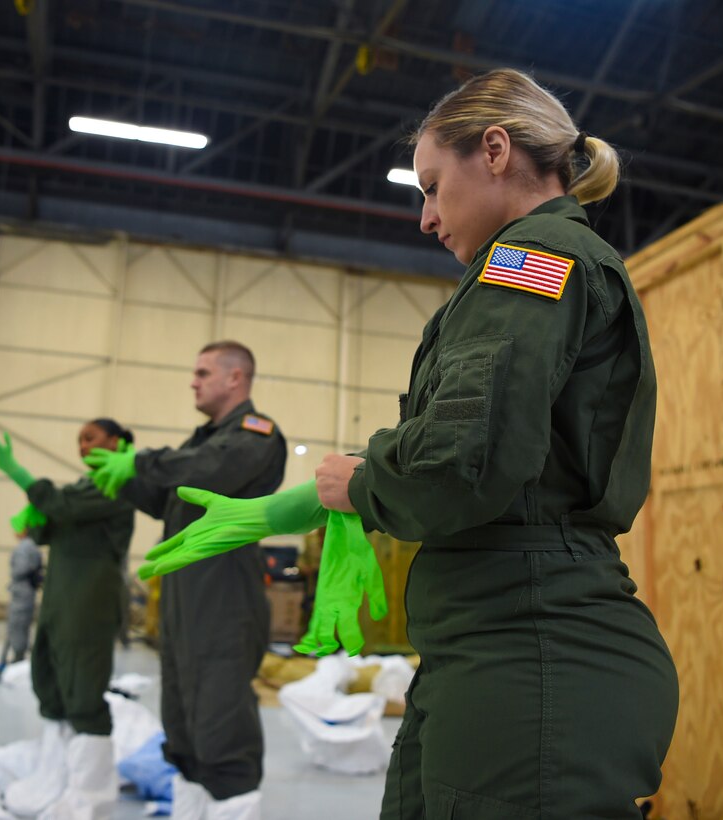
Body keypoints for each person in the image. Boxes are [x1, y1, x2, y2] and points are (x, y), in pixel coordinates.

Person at [139, 69, 680, 819]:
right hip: (493, 642)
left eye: (430, 185)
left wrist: (359, 487)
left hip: (531, 654)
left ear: (493, 150)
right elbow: (478, 446)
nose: (425, 217)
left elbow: (460, 462)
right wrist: (300, 503)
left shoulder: (530, 262)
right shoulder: (539, 265)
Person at [84, 340, 287, 820]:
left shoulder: (256, 434)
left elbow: (209, 470)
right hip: (182, 600)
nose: (193, 381)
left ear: (235, 378)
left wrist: (141, 462)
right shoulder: (200, 441)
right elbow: (169, 499)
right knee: (183, 723)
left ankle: (233, 806)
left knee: (221, 722)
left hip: (223, 597)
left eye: (202, 372)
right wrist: (126, 476)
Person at [0, 417, 136, 820]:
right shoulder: (84, 485)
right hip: (61, 597)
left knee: (82, 687)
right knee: (50, 679)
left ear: (115, 442)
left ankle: (90, 799)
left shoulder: (121, 482)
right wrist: (35, 521)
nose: (82, 445)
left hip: (89, 601)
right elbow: (54, 525)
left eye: (91, 438)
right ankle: (57, 778)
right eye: (79, 439)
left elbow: (61, 507)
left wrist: (18, 473)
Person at [1, 525, 42, 666]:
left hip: (21, 592)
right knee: (22, 624)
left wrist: (15, 575)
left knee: (17, 624)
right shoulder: (33, 546)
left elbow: (20, 569)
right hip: (27, 591)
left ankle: (17, 657)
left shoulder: (24, 548)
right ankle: (18, 655)